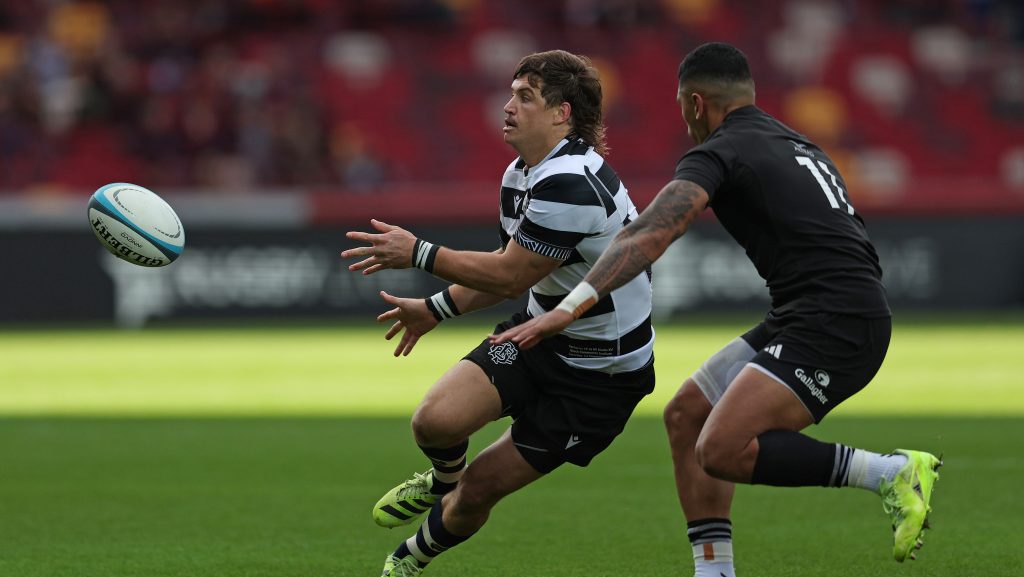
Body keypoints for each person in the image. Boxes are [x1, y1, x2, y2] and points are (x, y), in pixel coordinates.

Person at [491, 42, 942, 576]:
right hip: (814, 310)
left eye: (683, 107)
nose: (685, 121)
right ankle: (715, 571)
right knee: (687, 415)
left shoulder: (719, 150)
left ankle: (888, 472)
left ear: (696, 103)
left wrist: (569, 309)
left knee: (722, 448)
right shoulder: (792, 140)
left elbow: (651, 232)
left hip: (835, 322)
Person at [340, 50, 656, 577]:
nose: (508, 106)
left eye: (525, 97)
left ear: (561, 113)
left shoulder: (573, 182)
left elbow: (510, 275)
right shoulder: (521, 174)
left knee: (477, 491)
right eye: (512, 94)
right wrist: (435, 309)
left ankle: (410, 558)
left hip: (599, 376)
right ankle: (442, 480)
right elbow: (510, 270)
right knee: (434, 422)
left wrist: (419, 253)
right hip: (538, 336)